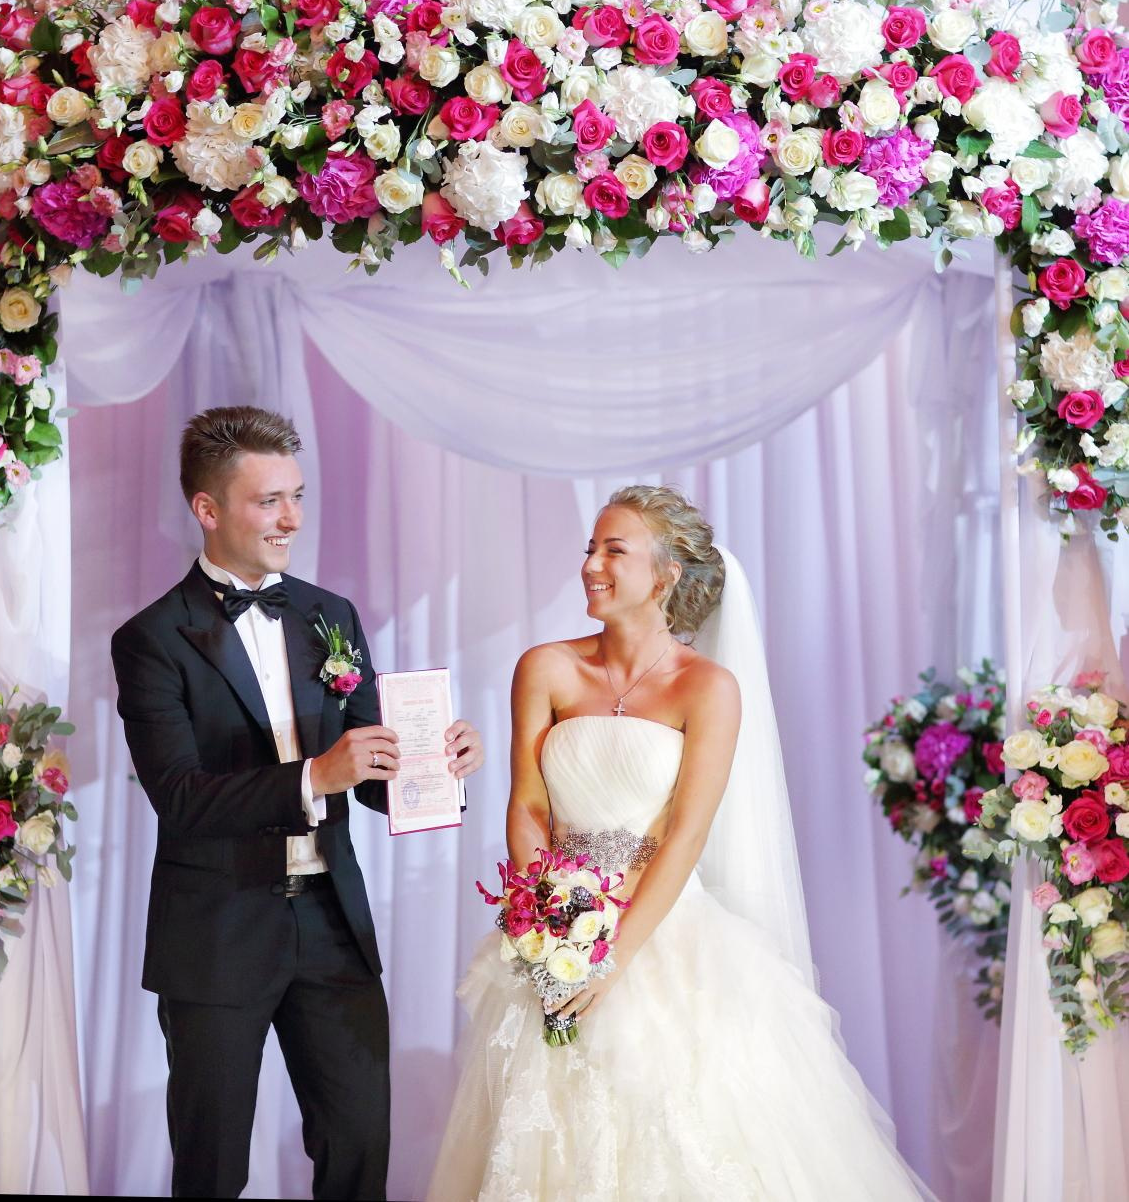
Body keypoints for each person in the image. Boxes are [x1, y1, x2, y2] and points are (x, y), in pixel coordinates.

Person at [427, 485, 928, 1201]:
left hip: (662, 931)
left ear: (664, 574)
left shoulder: (710, 688)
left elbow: (687, 833)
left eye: (613, 550)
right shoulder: (545, 667)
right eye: (589, 549)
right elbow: (528, 803)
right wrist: (550, 927)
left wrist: (609, 958)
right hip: (552, 932)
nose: (591, 565)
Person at [110, 406, 483, 1200]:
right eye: (269, 501)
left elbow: (370, 773)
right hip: (216, 928)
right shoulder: (150, 639)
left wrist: (435, 765)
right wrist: (317, 774)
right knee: (212, 1167)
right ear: (207, 510)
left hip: (330, 925)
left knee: (359, 1146)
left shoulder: (328, 616)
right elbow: (178, 799)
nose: (293, 519)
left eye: (297, 496)